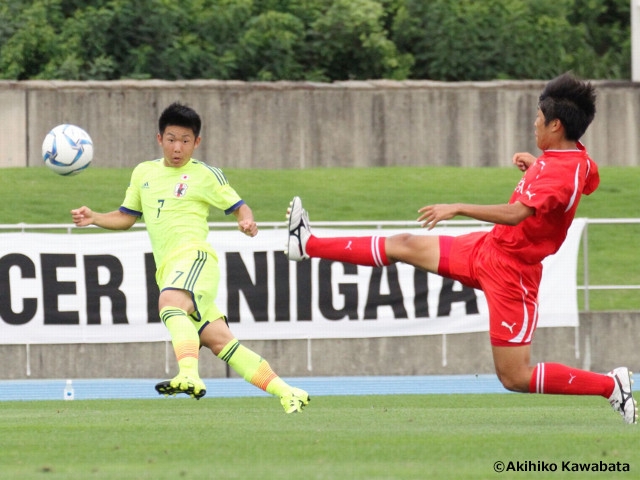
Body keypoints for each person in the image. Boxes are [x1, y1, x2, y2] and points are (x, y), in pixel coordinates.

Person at [284, 73, 636, 424]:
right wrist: (536, 166)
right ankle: (307, 243)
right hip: (487, 249)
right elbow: (583, 183)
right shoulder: (575, 160)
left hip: (513, 274)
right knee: (404, 245)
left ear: (556, 124)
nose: (534, 124)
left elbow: (516, 213)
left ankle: (610, 385)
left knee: (514, 377)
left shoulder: (557, 171)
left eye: (539, 119)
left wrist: (458, 207)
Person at [71, 102, 309, 413]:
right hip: (170, 269)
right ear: (159, 139)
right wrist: (94, 218)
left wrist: (245, 221)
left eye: (185, 140)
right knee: (221, 342)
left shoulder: (205, 175)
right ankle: (288, 392)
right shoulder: (143, 172)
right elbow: (127, 217)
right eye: (171, 139)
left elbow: (240, 205)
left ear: (196, 142)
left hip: (196, 260)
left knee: (169, 304)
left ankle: (189, 375)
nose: (177, 147)